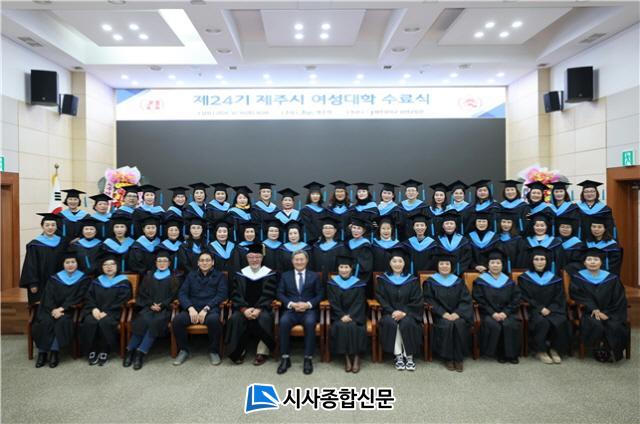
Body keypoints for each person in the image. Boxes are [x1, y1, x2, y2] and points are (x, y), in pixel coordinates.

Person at [124, 249, 181, 370]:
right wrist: (150, 304)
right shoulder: (149, 277)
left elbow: (174, 296)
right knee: (142, 321)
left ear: (169, 263)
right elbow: (142, 294)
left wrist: (162, 305)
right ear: (155, 263)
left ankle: (140, 353)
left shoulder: (175, 278)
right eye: (159, 261)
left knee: (154, 323)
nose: (162, 263)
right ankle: (130, 351)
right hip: (149, 308)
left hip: (165, 310)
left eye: (164, 261)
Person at [32, 249, 89, 368]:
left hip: (69, 310)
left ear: (77, 263)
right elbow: (48, 296)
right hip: (50, 309)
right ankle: (42, 353)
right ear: (63, 264)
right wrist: (53, 309)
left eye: (73, 262)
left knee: (61, 322)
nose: (70, 265)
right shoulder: (55, 278)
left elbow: (79, 296)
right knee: (45, 321)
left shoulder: (83, 279)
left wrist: (62, 309)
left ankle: (54, 352)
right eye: (67, 262)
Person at [570, 248, 629, 362]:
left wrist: (607, 314)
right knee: (596, 324)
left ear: (601, 262)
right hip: (588, 312)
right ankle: (599, 348)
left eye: (596, 259)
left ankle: (609, 349)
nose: (592, 262)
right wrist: (594, 309)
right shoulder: (577, 277)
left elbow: (618, 298)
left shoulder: (612, 278)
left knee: (615, 325)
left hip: (610, 311)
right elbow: (578, 295)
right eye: (589, 259)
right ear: (584, 262)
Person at [172, 251, 228, 366]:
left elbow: (222, 295)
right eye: (202, 260)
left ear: (212, 262)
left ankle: (213, 351)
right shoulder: (191, 275)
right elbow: (182, 294)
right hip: (192, 308)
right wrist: (190, 308)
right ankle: (184, 350)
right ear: (198, 263)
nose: (204, 263)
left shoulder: (220, 276)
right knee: (177, 320)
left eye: (207, 260)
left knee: (214, 321)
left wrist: (207, 308)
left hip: (210, 309)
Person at [225, 243, 277, 365]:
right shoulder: (240, 274)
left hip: (262, 309)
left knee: (265, 318)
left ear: (262, 258)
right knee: (235, 318)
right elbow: (236, 293)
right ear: (247, 258)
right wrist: (244, 309)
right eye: (251, 257)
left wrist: (259, 309)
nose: (254, 260)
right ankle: (239, 351)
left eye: (257, 257)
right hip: (243, 308)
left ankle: (262, 352)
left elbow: (269, 294)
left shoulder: (269, 274)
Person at [518, 247, 571, 364]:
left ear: (547, 261)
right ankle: (540, 351)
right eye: (536, 259)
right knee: (542, 322)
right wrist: (540, 308)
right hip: (534, 309)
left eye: (542, 259)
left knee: (561, 320)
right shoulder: (524, 278)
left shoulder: (555, 279)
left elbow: (559, 296)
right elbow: (524, 296)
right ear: (532, 261)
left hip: (553, 309)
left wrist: (550, 308)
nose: (539, 262)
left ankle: (554, 349)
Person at [78, 254, 132, 366]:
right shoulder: (96, 281)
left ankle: (104, 350)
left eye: (112, 264)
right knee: (90, 321)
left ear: (117, 266)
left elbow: (123, 300)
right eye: (105, 265)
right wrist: (94, 309)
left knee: (105, 322)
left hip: (113, 312)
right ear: (102, 267)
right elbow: (89, 297)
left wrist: (107, 312)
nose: (109, 267)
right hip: (95, 311)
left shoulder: (123, 282)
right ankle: (92, 349)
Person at [276, 250, 324, 375]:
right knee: (283, 322)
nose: (299, 262)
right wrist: (291, 304)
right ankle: (285, 358)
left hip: (309, 310)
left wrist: (308, 304)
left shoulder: (314, 276)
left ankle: (308, 358)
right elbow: (280, 293)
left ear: (306, 261)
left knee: (310, 323)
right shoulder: (285, 276)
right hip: (291, 310)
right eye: (296, 259)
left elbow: (320, 294)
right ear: (292, 261)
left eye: (302, 259)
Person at [423, 253, 473, 372]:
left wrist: (457, 313)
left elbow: (466, 299)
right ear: (437, 266)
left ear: (451, 266)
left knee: (459, 323)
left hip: (458, 314)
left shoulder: (458, 282)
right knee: (447, 325)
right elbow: (429, 300)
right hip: (440, 315)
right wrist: (443, 313)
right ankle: (448, 358)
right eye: (441, 264)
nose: (444, 266)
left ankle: (459, 358)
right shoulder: (430, 282)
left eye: (447, 264)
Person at [376, 247, 423, 371]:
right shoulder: (382, 279)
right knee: (392, 323)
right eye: (394, 261)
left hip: (408, 313)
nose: (397, 264)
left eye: (400, 261)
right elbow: (380, 298)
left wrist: (404, 312)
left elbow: (417, 299)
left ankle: (409, 356)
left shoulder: (412, 280)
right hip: (389, 313)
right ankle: (399, 356)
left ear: (404, 263)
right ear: (390, 263)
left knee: (407, 323)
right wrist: (392, 311)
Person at [472, 249, 521, 364]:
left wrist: (505, 312)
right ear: (488, 265)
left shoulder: (509, 281)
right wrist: (492, 313)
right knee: (493, 324)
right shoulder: (480, 281)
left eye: (498, 263)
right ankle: (499, 352)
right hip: (488, 313)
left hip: (507, 313)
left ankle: (511, 354)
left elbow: (516, 298)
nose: (495, 265)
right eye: (492, 263)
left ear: (502, 265)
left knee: (510, 323)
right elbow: (479, 299)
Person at [327, 255, 367, 373]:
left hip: (355, 315)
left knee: (355, 326)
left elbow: (360, 302)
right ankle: (346, 358)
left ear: (351, 269)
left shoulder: (358, 283)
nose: (344, 270)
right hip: (339, 316)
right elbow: (332, 302)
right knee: (341, 326)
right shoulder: (332, 283)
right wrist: (341, 315)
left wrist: (351, 316)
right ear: (338, 268)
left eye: (346, 267)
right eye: (341, 267)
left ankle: (356, 357)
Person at [20, 213, 66, 304]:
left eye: (53, 225)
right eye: (47, 225)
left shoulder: (62, 242)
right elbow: (30, 265)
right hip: (41, 282)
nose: (50, 227)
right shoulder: (35, 244)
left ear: (56, 227)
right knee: (41, 307)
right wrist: (33, 283)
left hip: (58, 282)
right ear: (42, 226)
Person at [311, 216, 347, 287]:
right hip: (318, 280)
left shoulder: (341, 247)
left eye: (330, 228)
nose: (327, 230)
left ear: (335, 230)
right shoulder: (316, 246)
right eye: (325, 228)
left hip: (334, 281)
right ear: (322, 230)